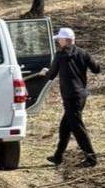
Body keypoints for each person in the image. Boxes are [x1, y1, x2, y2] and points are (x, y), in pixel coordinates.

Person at [39, 26, 100, 167]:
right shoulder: (83, 53)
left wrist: (44, 72)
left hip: (70, 96)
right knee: (65, 126)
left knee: (77, 127)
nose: (58, 42)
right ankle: (58, 156)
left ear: (65, 40)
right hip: (81, 95)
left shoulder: (60, 55)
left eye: (59, 39)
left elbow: (51, 75)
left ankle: (91, 158)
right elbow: (97, 69)